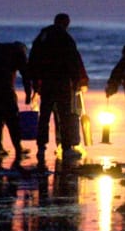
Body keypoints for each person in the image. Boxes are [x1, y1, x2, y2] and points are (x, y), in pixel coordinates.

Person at [28, 13, 88, 163]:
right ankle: (66, 148)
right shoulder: (66, 38)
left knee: (45, 115)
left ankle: (41, 147)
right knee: (65, 116)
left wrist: (35, 82)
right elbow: (73, 60)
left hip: (47, 82)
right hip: (61, 82)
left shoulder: (43, 36)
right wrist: (76, 80)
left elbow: (33, 59)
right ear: (66, 23)